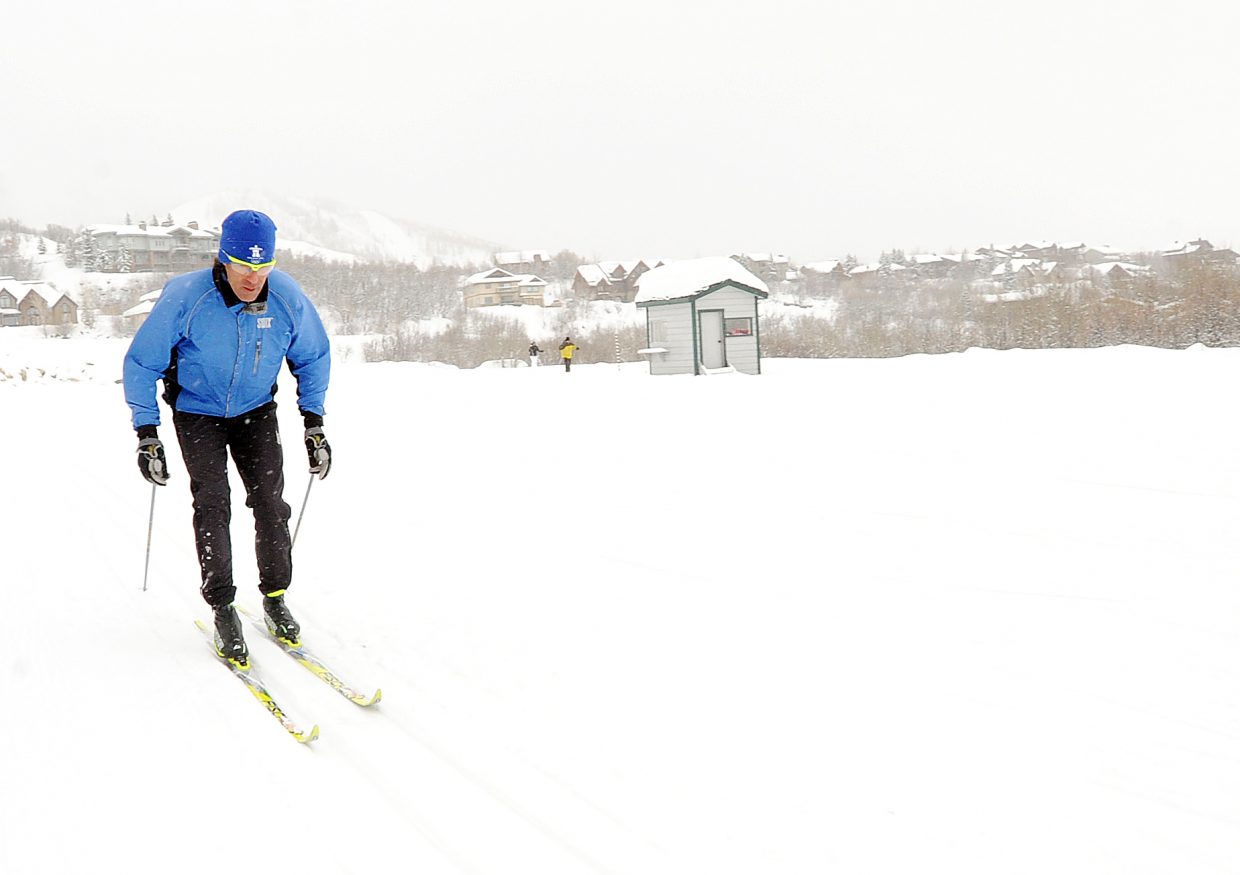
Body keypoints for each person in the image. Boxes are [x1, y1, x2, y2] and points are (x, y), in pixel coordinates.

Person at [123, 209, 332, 670]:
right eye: (243, 267)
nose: (252, 278)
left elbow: (313, 356)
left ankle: (275, 597)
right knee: (214, 503)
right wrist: (147, 433)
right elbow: (141, 363)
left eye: (263, 269)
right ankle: (223, 606)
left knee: (271, 504)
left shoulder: (287, 298)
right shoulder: (186, 296)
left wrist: (314, 424)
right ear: (223, 259)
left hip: (256, 410)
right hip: (197, 412)